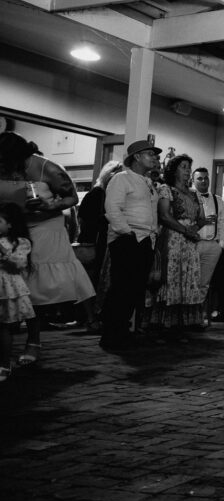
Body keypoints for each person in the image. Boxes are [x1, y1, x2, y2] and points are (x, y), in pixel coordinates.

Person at [0, 132, 95, 363]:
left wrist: (48, 205)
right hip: (10, 227)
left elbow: (72, 198)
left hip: (44, 228)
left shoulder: (46, 168)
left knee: (31, 285)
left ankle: (33, 339)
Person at [102, 139, 161, 351]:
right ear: (136, 157)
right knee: (121, 288)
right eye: (150, 154)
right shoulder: (122, 179)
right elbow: (112, 209)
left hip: (146, 239)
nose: (155, 158)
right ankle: (111, 333)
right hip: (128, 239)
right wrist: (127, 233)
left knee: (135, 288)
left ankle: (123, 331)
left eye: (155, 155)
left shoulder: (147, 182)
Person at [151, 154, 206, 339]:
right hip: (173, 237)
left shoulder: (194, 193)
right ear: (174, 170)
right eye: (183, 167)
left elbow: (202, 218)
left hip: (189, 241)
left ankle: (187, 320)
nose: (187, 170)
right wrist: (185, 230)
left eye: (189, 167)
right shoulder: (166, 190)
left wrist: (194, 229)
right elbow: (165, 215)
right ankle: (168, 320)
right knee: (173, 274)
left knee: (189, 275)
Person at [76, 160, 123, 328]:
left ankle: (96, 314)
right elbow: (83, 219)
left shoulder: (113, 194)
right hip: (95, 241)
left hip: (105, 241)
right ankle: (89, 316)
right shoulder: (97, 193)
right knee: (92, 279)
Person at [0, 202, 35, 382]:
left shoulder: (20, 243)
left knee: (5, 327)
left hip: (7, 289)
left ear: (10, 224)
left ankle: (4, 365)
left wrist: (3, 250)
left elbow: (18, 264)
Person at [191, 167, 224, 321]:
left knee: (205, 283)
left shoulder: (217, 200)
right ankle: (190, 316)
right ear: (193, 181)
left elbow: (223, 223)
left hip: (213, 245)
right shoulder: (189, 198)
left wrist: (220, 245)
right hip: (194, 244)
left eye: (206, 178)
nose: (204, 181)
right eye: (200, 178)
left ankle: (200, 316)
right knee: (191, 280)